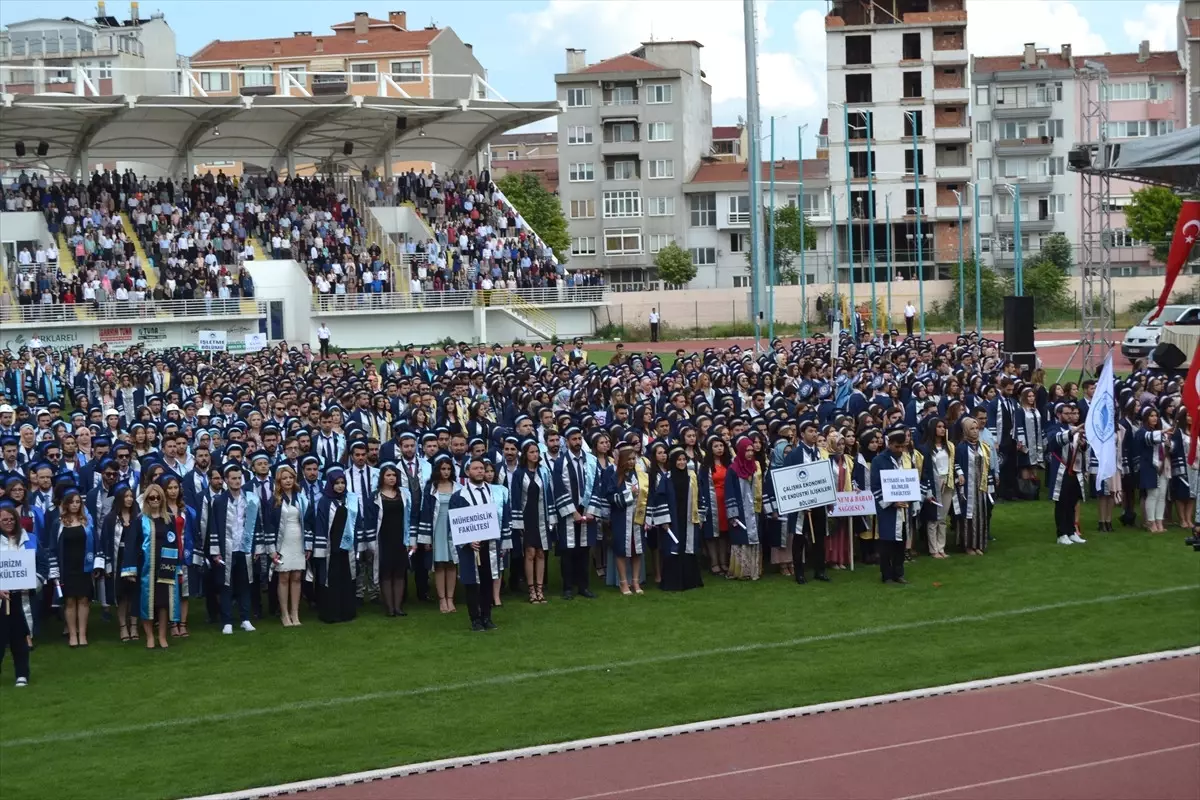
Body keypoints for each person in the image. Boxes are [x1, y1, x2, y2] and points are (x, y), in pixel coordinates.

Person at [450, 455, 510, 631]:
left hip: (490, 543)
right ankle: (475, 619)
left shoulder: (495, 492)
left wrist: (504, 542)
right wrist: (467, 541)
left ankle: (487, 616)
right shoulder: (459, 496)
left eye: (482, 469)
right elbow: (455, 523)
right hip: (470, 546)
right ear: (468, 472)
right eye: (475, 469)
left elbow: (503, 517)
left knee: (487, 581)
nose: (479, 471)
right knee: (471, 583)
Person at [123, 483, 183, 649]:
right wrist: (131, 570)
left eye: (158, 497)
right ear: (147, 500)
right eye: (151, 498)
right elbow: (132, 545)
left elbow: (175, 543)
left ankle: (162, 636)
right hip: (146, 569)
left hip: (166, 567)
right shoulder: (140, 521)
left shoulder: (168, 519)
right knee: (146, 603)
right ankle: (150, 636)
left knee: (163, 603)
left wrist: (177, 567)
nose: (155, 500)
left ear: (162, 499)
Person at [205, 462, 261, 634]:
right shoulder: (219, 501)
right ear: (226, 481)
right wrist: (216, 551)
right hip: (226, 548)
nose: (237, 481)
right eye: (233, 479)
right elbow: (212, 526)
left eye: (239, 478)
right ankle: (227, 621)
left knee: (245, 584)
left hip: (244, 548)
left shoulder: (250, 499)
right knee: (226, 585)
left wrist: (257, 547)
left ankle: (245, 618)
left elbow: (256, 524)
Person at [0, 501, 46, 686]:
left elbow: (43, 565)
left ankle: (22, 674)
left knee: (20, 638)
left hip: (23, 597)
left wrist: (31, 583)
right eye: (4, 520)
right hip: (1, 599)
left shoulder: (31, 539)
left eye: (12, 519)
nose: (9, 522)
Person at [48, 488, 101, 647]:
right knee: (70, 601)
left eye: (78, 502)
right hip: (66, 568)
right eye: (72, 502)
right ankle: (72, 634)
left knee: (84, 600)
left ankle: (82, 634)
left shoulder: (87, 522)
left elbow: (96, 544)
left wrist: (97, 566)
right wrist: (54, 570)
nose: (75, 505)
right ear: (66, 504)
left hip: (84, 566)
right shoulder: (59, 523)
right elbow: (52, 548)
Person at [551, 426, 599, 600]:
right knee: (568, 551)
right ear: (567, 441)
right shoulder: (560, 463)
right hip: (569, 512)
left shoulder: (591, 461)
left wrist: (591, 510)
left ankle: (584, 586)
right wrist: (572, 512)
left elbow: (596, 487)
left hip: (587, 510)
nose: (577, 442)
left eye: (579, 439)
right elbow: (559, 488)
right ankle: (568, 587)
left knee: (584, 550)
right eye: (574, 439)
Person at [263, 464, 308, 626]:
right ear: (279, 481)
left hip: (298, 541)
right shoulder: (273, 501)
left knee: (297, 576)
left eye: (290, 477)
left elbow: (308, 521)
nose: (288, 481)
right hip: (281, 542)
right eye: (284, 478)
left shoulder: (301, 498)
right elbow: (268, 525)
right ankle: (284, 614)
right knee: (283, 577)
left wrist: (308, 545)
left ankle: (295, 613)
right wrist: (272, 550)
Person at [312, 467, 359, 624]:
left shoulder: (350, 500)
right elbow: (321, 524)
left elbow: (356, 522)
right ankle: (331, 613)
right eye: (337, 483)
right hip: (331, 548)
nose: (340, 486)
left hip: (347, 547)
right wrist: (319, 550)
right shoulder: (324, 502)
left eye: (343, 483)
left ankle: (347, 611)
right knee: (330, 579)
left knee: (347, 578)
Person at [511, 439, 555, 604]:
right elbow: (515, 498)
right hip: (526, 516)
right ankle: (531, 589)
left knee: (541, 552)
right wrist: (517, 522)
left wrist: (552, 518)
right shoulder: (519, 473)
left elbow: (549, 495)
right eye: (531, 452)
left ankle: (540, 588)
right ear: (525, 455)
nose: (535, 455)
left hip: (542, 515)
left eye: (536, 451)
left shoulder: (544, 472)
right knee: (529, 553)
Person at [100, 483, 141, 641]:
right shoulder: (111, 519)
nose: (130, 499)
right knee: (121, 594)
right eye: (126, 496)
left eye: (131, 496)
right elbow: (105, 542)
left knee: (134, 594)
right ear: (119, 499)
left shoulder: (138, 517)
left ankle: (134, 626)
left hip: (135, 558)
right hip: (118, 558)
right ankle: (123, 626)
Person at [371, 464, 412, 617]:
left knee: (400, 572)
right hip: (383, 538)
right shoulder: (375, 495)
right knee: (386, 572)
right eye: (388, 475)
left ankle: (398, 607)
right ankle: (389, 608)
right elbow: (371, 518)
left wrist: (411, 539)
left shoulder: (404, 493)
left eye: (394, 475)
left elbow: (410, 515)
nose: (391, 478)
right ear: (382, 477)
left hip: (401, 537)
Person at [871, 429, 911, 585]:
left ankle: (898, 573)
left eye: (902, 447)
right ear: (890, 444)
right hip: (888, 509)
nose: (900, 450)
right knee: (887, 542)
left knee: (901, 542)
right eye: (897, 447)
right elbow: (875, 487)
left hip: (904, 507)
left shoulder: (906, 459)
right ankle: (886, 575)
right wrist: (891, 503)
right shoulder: (879, 461)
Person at [724, 438, 764, 581]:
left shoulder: (754, 467)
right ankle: (742, 570)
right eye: (747, 450)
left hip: (753, 508)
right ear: (741, 451)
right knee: (741, 538)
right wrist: (733, 514)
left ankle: (754, 570)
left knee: (754, 537)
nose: (750, 453)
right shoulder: (733, 469)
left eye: (752, 450)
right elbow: (729, 491)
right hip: (740, 509)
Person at [955, 418, 995, 554]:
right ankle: (967, 545)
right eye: (972, 429)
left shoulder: (983, 447)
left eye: (977, 428)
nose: (975, 431)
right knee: (968, 514)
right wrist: (960, 474)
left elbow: (988, 466)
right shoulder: (961, 447)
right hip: (967, 486)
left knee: (980, 514)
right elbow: (955, 464)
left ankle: (978, 543)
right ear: (966, 430)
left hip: (981, 486)